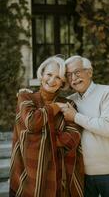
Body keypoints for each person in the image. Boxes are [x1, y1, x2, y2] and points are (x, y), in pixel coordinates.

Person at [9, 55, 84, 197]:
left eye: (58, 77)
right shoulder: (26, 98)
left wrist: (41, 136)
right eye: (49, 74)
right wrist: (55, 107)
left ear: (62, 82)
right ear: (41, 75)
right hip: (28, 175)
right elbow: (32, 123)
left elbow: (73, 137)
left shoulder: (69, 104)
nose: (51, 80)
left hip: (59, 176)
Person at [58, 55, 109, 197]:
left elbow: (107, 128)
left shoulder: (108, 92)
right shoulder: (70, 101)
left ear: (89, 72)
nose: (74, 78)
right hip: (83, 173)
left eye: (77, 72)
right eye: (69, 75)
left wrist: (76, 117)